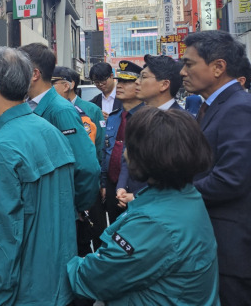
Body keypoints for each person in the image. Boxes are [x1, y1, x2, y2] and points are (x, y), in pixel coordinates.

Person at [67, 107, 219, 305]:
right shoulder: (184, 195)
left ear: (147, 155)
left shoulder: (153, 223)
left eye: (129, 146)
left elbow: (94, 278)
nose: (124, 153)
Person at [0, 47, 77, 305]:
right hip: (60, 279)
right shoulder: (50, 130)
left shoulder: (0, 146)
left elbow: (2, 234)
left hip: (26, 289)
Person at [181, 30, 251, 304]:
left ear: (218, 67)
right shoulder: (215, 106)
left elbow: (231, 179)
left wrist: (177, 193)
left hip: (233, 249)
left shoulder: (238, 108)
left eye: (189, 64)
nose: (183, 72)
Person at [19, 43, 99, 212]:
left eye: (19, 68)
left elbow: (87, 167)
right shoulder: (27, 104)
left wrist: (75, 207)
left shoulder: (60, 110)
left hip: (57, 210)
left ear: (34, 74)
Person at [52, 66, 107, 265]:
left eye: (53, 83)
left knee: (96, 231)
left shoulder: (91, 109)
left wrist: (101, 181)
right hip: (66, 184)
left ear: (68, 85)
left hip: (88, 181)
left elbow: (99, 148)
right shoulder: (50, 110)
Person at [115, 54, 185, 208]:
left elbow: (175, 174)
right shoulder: (138, 117)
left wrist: (137, 196)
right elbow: (127, 158)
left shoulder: (181, 123)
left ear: (164, 84)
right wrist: (121, 187)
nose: (137, 82)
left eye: (143, 77)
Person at [101, 60, 143, 224]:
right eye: (120, 81)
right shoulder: (113, 117)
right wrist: (104, 183)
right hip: (113, 187)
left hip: (137, 187)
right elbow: (106, 152)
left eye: (127, 82)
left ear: (139, 85)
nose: (120, 85)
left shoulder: (147, 117)